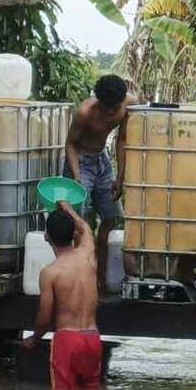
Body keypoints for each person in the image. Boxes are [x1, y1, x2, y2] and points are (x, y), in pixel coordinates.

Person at [63, 74, 137, 292]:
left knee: (112, 217)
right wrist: (76, 178)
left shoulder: (129, 105)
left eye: (116, 107)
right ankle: (81, 278)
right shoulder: (84, 112)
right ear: (99, 102)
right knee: (79, 222)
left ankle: (101, 278)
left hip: (102, 161)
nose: (112, 113)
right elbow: (70, 144)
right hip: (80, 161)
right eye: (107, 108)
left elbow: (122, 140)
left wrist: (120, 176)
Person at [21, 202, 102, 390]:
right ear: (73, 234)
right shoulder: (88, 255)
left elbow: (44, 316)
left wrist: (35, 339)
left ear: (46, 236)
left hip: (68, 341)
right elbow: (85, 228)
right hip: (92, 338)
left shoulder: (50, 273)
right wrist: (68, 209)